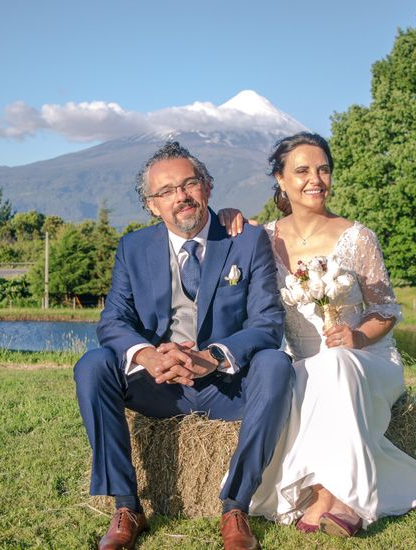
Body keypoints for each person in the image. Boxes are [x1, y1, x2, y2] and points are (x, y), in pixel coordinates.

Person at [220, 132, 416, 537]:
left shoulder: (358, 237)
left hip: (368, 359)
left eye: (323, 169)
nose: (316, 179)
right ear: (280, 180)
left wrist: (357, 337)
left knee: (337, 364)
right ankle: (326, 494)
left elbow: (385, 310)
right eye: (302, 170)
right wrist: (225, 212)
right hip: (303, 361)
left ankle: (337, 497)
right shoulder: (263, 238)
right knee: (310, 372)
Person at [73, 141, 293, 550]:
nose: (181, 196)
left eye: (189, 184)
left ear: (207, 187)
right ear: (152, 205)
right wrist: (149, 355)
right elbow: (114, 321)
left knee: (276, 364)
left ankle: (236, 506)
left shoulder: (246, 241)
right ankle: (126, 505)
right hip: (158, 385)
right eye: (167, 191)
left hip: (226, 384)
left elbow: (267, 322)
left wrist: (213, 357)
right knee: (93, 365)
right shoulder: (132, 248)